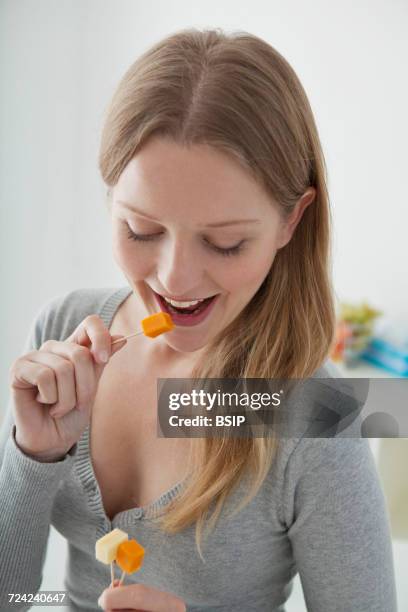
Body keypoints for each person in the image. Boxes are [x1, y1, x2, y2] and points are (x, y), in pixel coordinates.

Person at [0, 27, 397, 612]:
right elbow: (16, 595)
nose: (176, 280)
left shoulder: (314, 408)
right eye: (142, 230)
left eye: (226, 242)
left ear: (292, 220)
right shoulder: (61, 325)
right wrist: (33, 455)